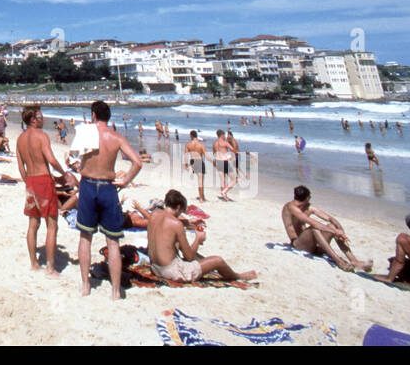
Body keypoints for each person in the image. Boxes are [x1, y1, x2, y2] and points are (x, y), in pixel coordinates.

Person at [76, 101, 142, 299]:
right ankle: (115, 291)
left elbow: (73, 159)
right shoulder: (116, 137)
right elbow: (137, 163)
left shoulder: (86, 134)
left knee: (85, 238)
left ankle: (86, 286)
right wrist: (125, 180)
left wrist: (79, 166)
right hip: (108, 188)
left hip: (88, 184)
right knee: (113, 241)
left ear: (93, 115)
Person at [146, 189, 256, 284]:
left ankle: (205, 264)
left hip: (155, 267)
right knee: (218, 260)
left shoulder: (155, 214)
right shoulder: (176, 224)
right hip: (171, 272)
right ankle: (238, 276)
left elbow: (167, 223)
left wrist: (188, 222)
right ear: (179, 207)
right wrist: (198, 239)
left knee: (177, 244)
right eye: (182, 211)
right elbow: (189, 256)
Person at [16, 105, 66, 277]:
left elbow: (21, 167)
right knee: (52, 225)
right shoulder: (41, 136)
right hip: (44, 180)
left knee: (32, 224)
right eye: (41, 115)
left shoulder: (20, 139)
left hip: (30, 181)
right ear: (33, 119)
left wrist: (28, 182)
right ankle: (50, 268)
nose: (43, 118)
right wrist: (64, 174)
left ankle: (34, 263)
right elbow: (51, 159)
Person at [281, 185, 372, 271]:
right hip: (298, 244)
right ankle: (339, 262)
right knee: (314, 228)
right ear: (307, 198)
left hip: (314, 247)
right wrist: (335, 232)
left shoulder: (308, 206)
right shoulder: (290, 207)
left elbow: (329, 218)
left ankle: (355, 261)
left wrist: (340, 230)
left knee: (331, 226)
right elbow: (313, 223)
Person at [183, 130, 207, 202]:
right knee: (201, 180)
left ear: (191, 136)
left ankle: (202, 196)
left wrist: (186, 164)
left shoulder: (188, 145)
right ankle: (201, 198)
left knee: (199, 180)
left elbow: (186, 155)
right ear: (196, 135)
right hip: (199, 161)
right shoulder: (201, 145)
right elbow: (206, 155)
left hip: (193, 161)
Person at [213, 129, 235, 200]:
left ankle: (223, 195)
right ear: (222, 135)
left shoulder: (215, 143)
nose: (225, 136)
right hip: (224, 161)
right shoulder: (225, 142)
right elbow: (233, 149)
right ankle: (224, 192)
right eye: (224, 135)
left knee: (222, 180)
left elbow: (214, 153)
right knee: (234, 179)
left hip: (218, 161)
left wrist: (214, 161)